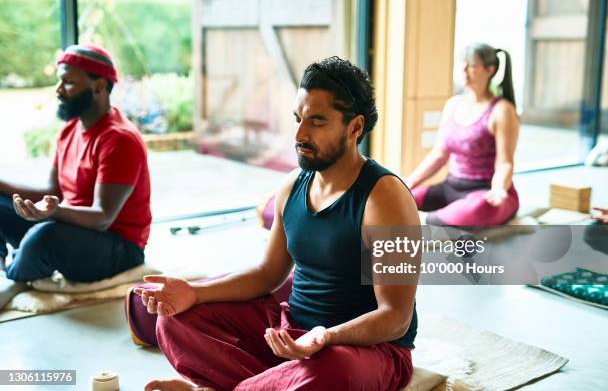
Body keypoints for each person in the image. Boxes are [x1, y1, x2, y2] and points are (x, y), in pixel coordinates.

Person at [138, 57, 420, 391]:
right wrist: (194, 292)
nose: (300, 133)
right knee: (175, 323)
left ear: (355, 127)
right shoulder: (293, 185)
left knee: (331, 371)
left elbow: (396, 317)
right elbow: (267, 274)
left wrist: (326, 337)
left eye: (317, 121)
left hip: (362, 350)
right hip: (290, 332)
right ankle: (275, 382)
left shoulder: (387, 197)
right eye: (298, 119)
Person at [0, 44, 151, 308]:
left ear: (99, 85)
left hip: (117, 248)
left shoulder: (119, 139)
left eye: (68, 82)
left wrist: (52, 212)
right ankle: (7, 270)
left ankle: (17, 277)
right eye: (59, 81)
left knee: (43, 236)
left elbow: (103, 217)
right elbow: (52, 190)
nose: (59, 90)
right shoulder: (69, 130)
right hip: (71, 228)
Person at [406, 43, 520, 227]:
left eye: (471, 65)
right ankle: (435, 219)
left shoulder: (501, 110)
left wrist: (498, 188)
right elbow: (439, 154)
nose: (463, 69)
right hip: (451, 186)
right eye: (462, 63)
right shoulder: (453, 104)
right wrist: (408, 182)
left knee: (478, 208)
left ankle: (427, 221)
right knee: (400, 199)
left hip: (485, 191)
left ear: (489, 70)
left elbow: (505, 162)